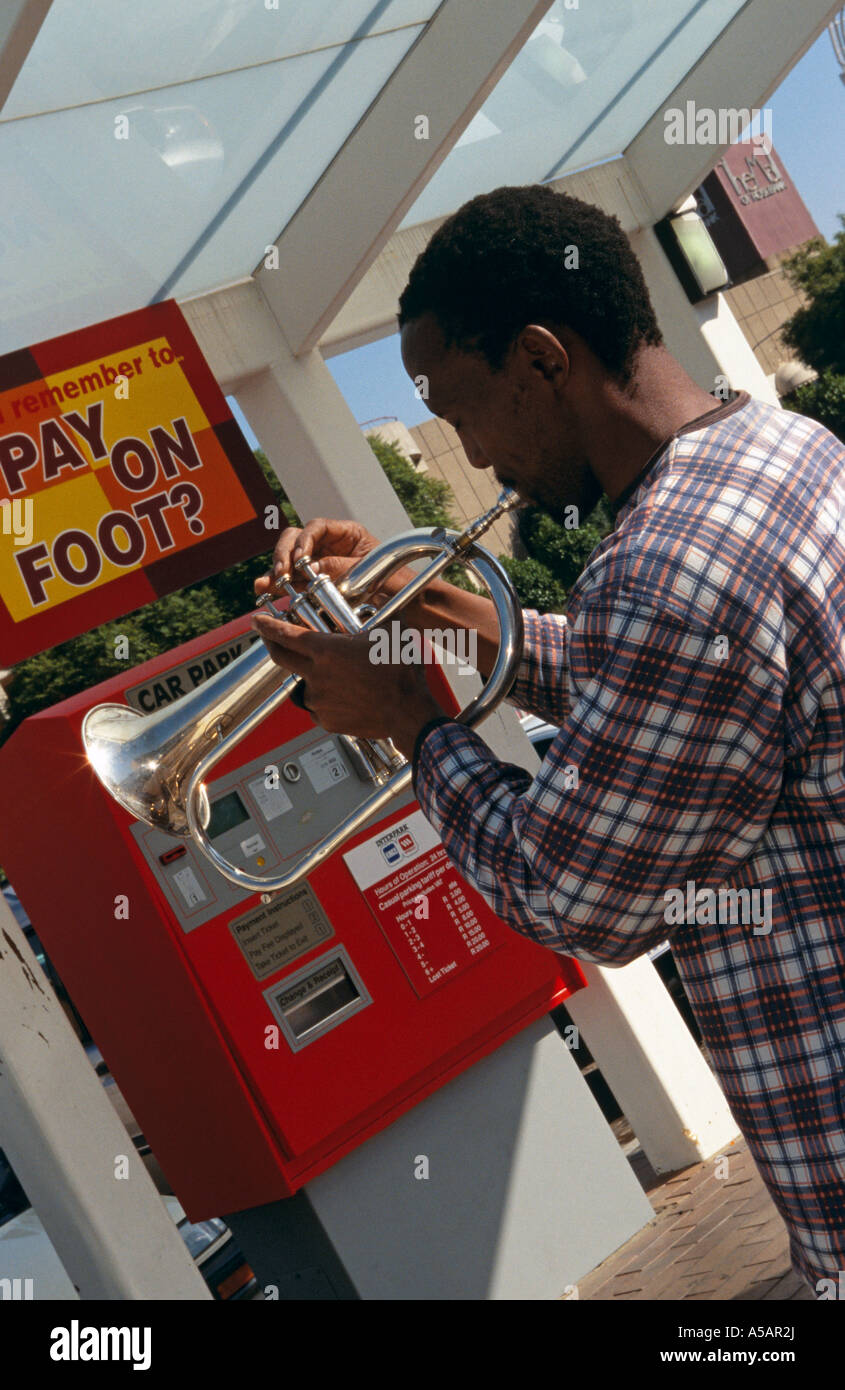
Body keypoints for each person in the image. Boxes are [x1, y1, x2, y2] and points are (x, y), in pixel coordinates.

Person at [252, 184, 845, 1293]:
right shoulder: (775, 449)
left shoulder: (664, 574)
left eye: (463, 409)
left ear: (537, 359)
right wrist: (430, 608)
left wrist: (407, 721)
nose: (474, 459)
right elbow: (668, 701)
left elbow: (570, 895)